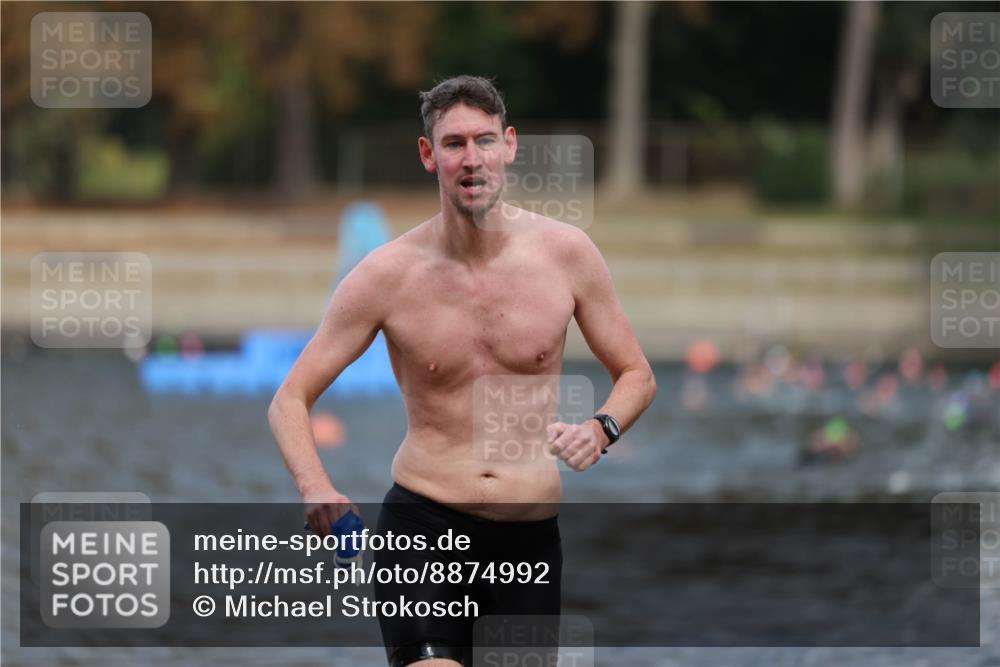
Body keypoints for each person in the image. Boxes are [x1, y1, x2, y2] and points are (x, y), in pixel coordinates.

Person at [268, 75, 656, 667]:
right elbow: (290, 397)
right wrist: (315, 485)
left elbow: (637, 375)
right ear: (429, 155)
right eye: (454, 144)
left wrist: (601, 428)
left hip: (527, 544)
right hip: (423, 529)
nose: (471, 159)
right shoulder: (386, 274)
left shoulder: (567, 255)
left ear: (510, 145)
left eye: (484, 141)